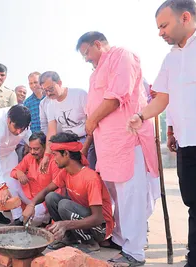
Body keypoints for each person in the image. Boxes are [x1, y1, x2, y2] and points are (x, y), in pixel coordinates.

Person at [127, 1, 196, 266]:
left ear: (185, 17)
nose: (160, 32)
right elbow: (163, 98)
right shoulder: (170, 58)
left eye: (164, 25)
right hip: (188, 145)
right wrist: (141, 115)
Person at [76, 31, 159, 266]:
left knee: (131, 196)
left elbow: (116, 96)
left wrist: (92, 121)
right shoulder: (96, 73)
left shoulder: (122, 55)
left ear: (98, 44)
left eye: (87, 53)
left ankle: (134, 251)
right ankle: (121, 239)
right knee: (117, 197)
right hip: (108, 145)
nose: (87, 59)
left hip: (127, 139)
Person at [22, 132, 113, 253]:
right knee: (51, 197)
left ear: (66, 154)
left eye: (55, 155)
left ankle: (90, 243)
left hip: (100, 228)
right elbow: (47, 191)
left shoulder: (90, 178)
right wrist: (31, 205)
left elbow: (97, 218)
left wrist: (65, 224)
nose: (53, 160)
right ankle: (69, 238)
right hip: (83, 218)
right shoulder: (65, 172)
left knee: (65, 205)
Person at [37, 71, 93, 171]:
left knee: (89, 174)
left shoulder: (79, 94)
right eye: (45, 91)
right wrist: (46, 155)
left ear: (59, 83)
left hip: (87, 142)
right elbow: (51, 132)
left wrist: (85, 147)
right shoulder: (50, 105)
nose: (49, 93)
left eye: (50, 89)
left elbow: (92, 121)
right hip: (67, 146)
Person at [10, 131, 59, 226]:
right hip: (30, 198)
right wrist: (19, 173)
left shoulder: (54, 161)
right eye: (30, 148)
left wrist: (44, 207)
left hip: (44, 202)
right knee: (11, 181)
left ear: (45, 147)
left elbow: (58, 189)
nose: (32, 152)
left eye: (36, 149)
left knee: (33, 218)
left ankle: (43, 219)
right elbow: (13, 172)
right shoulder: (29, 157)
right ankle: (17, 218)